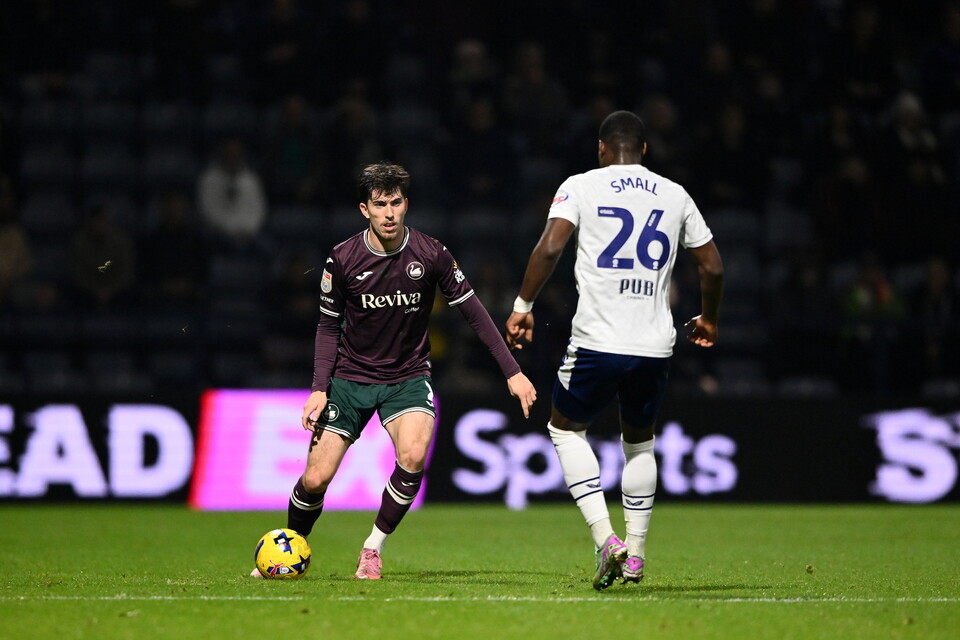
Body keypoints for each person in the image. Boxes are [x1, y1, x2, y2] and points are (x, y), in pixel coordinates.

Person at [253, 162, 536, 580]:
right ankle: (291, 545)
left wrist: (512, 371)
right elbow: (328, 326)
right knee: (315, 479)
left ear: (407, 205)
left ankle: (372, 548)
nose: (389, 213)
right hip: (350, 380)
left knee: (414, 455)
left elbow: (475, 313)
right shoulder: (342, 259)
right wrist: (319, 388)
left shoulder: (432, 254)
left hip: (407, 378)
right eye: (380, 204)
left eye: (396, 203)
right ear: (364, 209)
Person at [505, 111, 723, 590]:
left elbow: (549, 248)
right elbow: (711, 266)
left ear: (602, 149)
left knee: (564, 431)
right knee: (639, 441)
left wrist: (524, 305)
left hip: (598, 341)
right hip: (654, 344)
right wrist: (708, 317)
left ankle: (607, 540)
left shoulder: (581, 185)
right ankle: (638, 554)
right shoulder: (674, 193)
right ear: (644, 150)